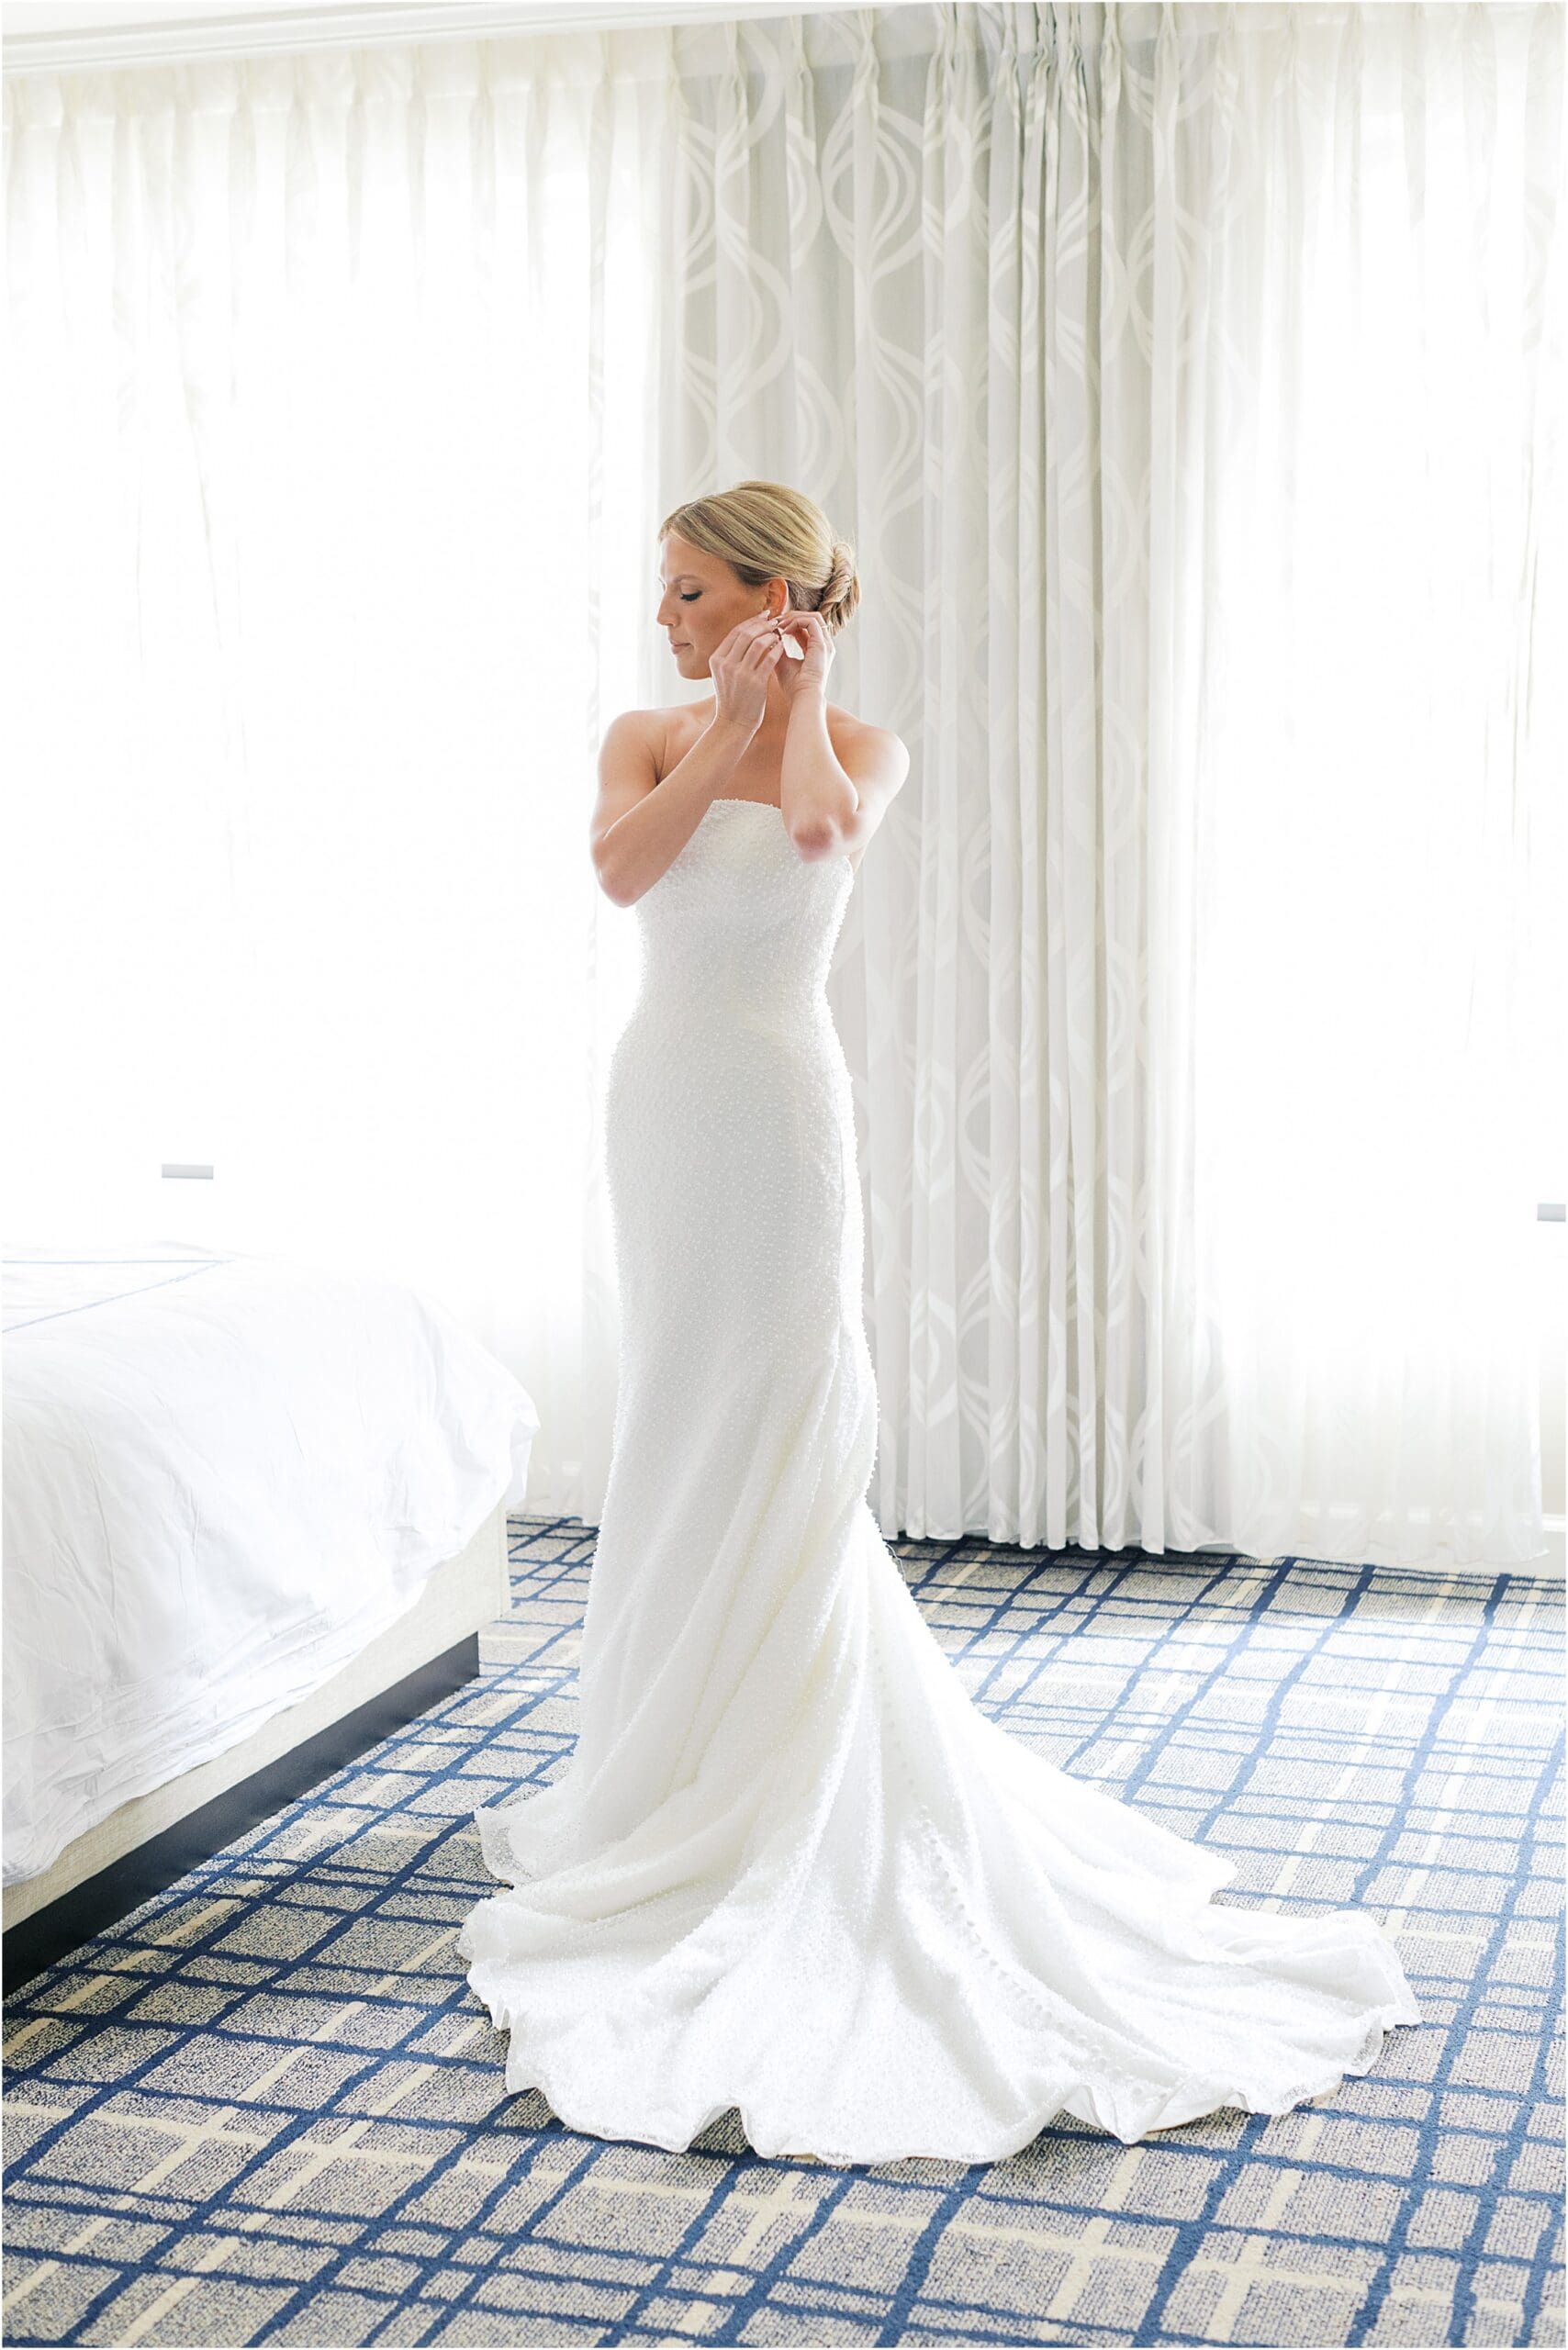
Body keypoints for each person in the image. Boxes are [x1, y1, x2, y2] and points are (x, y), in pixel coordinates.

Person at [458, 480, 1420, 2165]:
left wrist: (798, 704)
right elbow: (622, 873)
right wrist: (713, 727)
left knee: (783, 1412)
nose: (666, 618)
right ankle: (658, 1766)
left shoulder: (866, 744)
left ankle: (788, 1752)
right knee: (679, 1412)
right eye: (665, 592)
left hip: (782, 1107)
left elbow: (826, 837)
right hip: (667, 1103)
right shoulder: (641, 733)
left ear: (771, 594)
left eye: (692, 593)